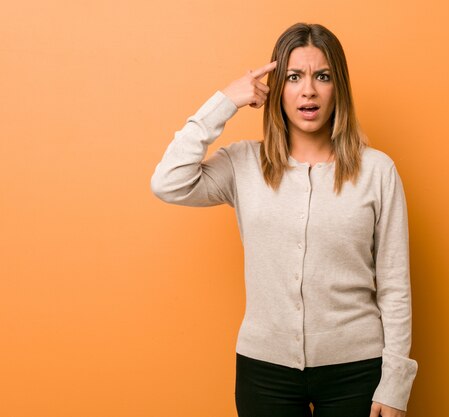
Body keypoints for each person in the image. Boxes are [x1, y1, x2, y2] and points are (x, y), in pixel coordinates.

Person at [151, 22, 417, 417]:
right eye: (293, 77)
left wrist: (394, 383)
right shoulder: (244, 164)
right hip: (264, 373)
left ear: (337, 87)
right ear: (277, 90)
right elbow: (168, 182)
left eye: (321, 76)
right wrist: (225, 100)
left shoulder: (377, 171)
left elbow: (394, 285)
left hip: (356, 371)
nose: (308, 90)